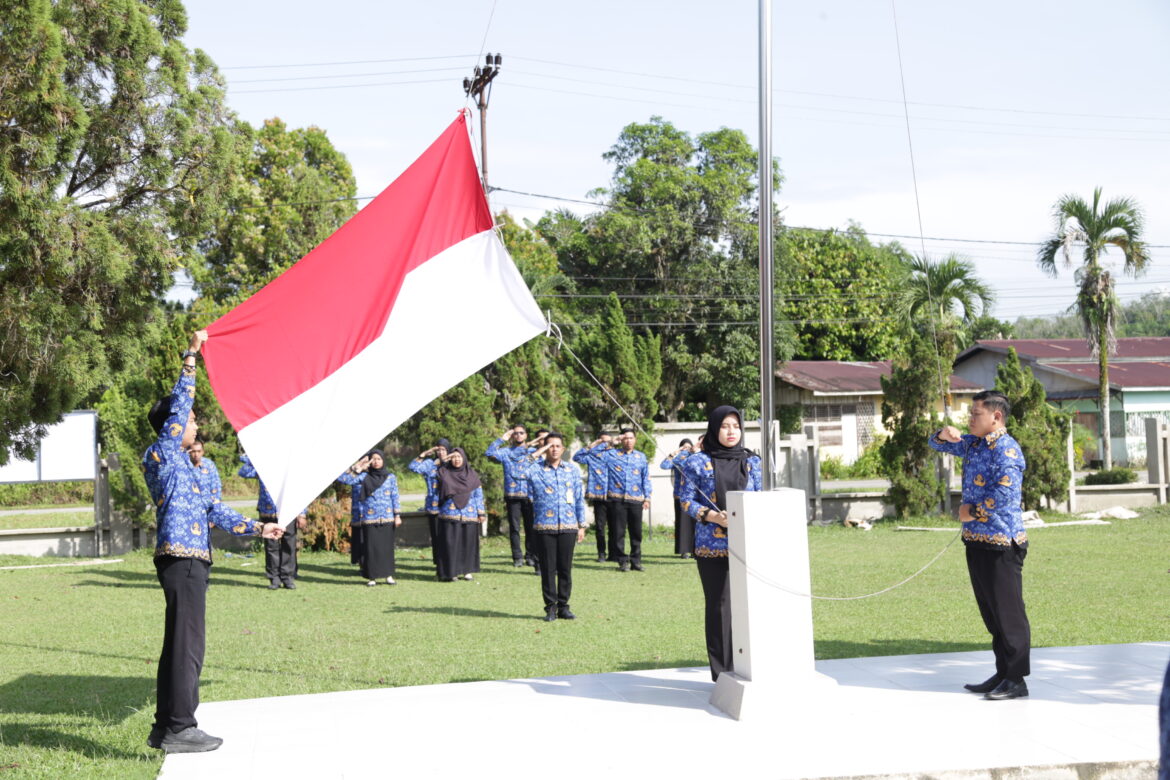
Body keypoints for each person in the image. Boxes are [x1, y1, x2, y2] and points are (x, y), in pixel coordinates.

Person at [143, 330, 282, 753]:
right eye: (190, 420)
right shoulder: (162, 454)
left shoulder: (187, 468)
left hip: (192, 563)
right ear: (172, 425)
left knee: (180, 646)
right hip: (182, 561)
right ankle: (181, 727)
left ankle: (166, 726)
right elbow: (179, 405)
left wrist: (259, 528)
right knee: (188, 647)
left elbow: (214, 509)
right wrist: (191, 356)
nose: (196, 424)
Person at [928, 389, 1031, 701]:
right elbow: (936, 444)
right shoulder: (974, 444)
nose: (970, 419)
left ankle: (1016, 679)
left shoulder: (1007, 450)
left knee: (1009, 614)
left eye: (976, 414)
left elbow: (1006, 495)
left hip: (1002, 542)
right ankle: (1003, 673)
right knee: (992, 614)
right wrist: (943, 434)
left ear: (996, 416)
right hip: (976, 540)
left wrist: (971, 511)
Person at [679, 406, 762, 682]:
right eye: (725, 426)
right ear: (715, 429)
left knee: (748, 606)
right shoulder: (697, 462)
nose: (731, 431)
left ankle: (748, 667)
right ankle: (723, 673)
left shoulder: (752, 462)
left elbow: (760, 497)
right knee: (720, 606)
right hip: (711, 547)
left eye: (736, 426)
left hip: (748, 545)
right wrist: (712, 516)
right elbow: (686, 500)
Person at [517, 433, 589, 621]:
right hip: (545, 526)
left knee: (565, 569)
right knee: (548, 569)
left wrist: (581, 525)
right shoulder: (536, 469)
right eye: (550, 446)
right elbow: (517, 470)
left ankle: (564, 606)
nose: (554, 449)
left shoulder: (572, 470)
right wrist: (538, 452)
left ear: (563, 449)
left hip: (568, 525)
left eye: (557, 446)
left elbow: (578, 499)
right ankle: (550, 607)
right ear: (545, 448)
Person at [238, 453, 307, 590]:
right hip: (268, 512)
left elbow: (300, 491)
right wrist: (252, 458)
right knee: (271, 547)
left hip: (288, 511)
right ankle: (274, 578)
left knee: (289, 545)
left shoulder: (291, 469)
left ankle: (287, 577)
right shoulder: (263, 467)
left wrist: (302, 513)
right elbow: (243, 472)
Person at [588, 428, 652, 572]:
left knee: (636, 533)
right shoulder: (611, 455)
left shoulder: (641, 457)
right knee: (618, 533)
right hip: (617, 500)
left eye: (631, 438)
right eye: (625, 438)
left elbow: (645, 478)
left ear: (635, 440)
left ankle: (636, 561)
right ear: (621, 440)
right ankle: (622, 561)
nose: (628, 441)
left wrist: (647, 497)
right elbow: (591, 454)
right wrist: (610, 442)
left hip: (636, 499)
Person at [337, 449, 402, 586]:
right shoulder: (364, 477)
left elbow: (395, 496)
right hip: (370, 517)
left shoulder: (390, 477)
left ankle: (388, 575)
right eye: (374, 459)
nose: (376, 462)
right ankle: (372, 577)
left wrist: (397, 515)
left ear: (383, 460)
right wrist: (358, 467)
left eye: (379, 459)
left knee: (386, 548)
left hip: (387, 517)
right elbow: (343, 479)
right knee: (371, 548)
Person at [485, 425, 538, 569]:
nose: (518, 435)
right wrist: (502, 439)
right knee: (514, 528)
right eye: (515, 433)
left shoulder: (533, 452)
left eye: (521, 433)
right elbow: (489, 453)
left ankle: (530, 556)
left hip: (530, 496)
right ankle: (517, 557)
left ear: (526, 435)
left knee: (531, 528)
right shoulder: (506, 452)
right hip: (512, 496)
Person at [434, 448, 486, 581]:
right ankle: (451, 572)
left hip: (469, 514)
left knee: (468, 544)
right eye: (454, 457)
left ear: (464, 458)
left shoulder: (472, 474)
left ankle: (467, 571)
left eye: (459, 456)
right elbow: (434, 472)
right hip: (450, 513)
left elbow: (478, 495)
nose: (457, 459)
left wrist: (481, 513)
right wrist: (444, 460)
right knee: (450, 544)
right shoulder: (444, 472)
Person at [409, 439, 449, 565]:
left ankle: (449, 562)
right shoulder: (430, 464)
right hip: (434, 506)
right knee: (436, 535)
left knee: (449, 535)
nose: (441, 453)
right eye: (439, 450)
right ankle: (438, 562)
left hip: (450, 506)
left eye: (444, 450)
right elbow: (413, 467)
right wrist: (424, 454)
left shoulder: (453, 463)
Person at [572, 435, 611, 563]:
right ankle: (601, 553)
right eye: (602, 441)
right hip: (598, 495)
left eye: (607, 441)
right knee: (600, 527)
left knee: (615, 527)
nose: (605, 444)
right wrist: (593, 444)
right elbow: (577, 457)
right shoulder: (592, 457)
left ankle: (614, 553)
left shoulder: (615, 455)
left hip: (614, 495)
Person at [660, 438, 696, 558]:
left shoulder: (696, 458)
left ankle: (695, 549)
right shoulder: (677, 459)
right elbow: (664, 465)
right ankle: (684, 550)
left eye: (688, 447)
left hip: (694, 496)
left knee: (694, 523)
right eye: (683, 447)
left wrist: (694, 452)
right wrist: (675, 453)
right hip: (680, 495)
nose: (686, 449)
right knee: (682, 523)